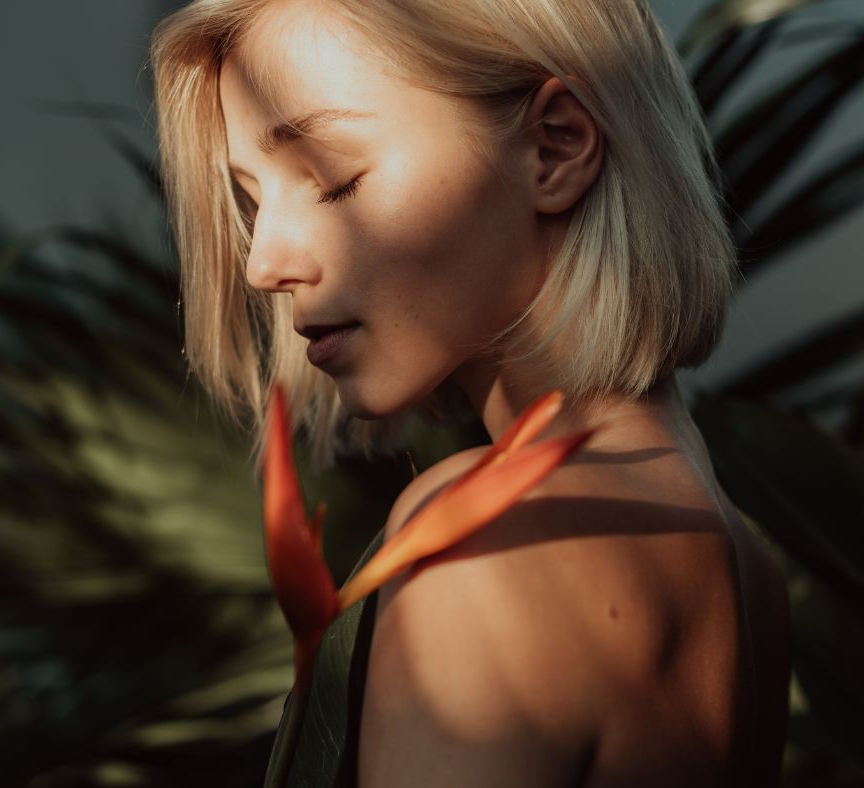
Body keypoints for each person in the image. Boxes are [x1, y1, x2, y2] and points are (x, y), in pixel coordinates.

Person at [150, 0, 791, 784]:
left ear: (555, 147)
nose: (263, 263)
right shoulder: (745, 563)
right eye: (252, 201)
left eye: (332, 180)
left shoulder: (486, 535)